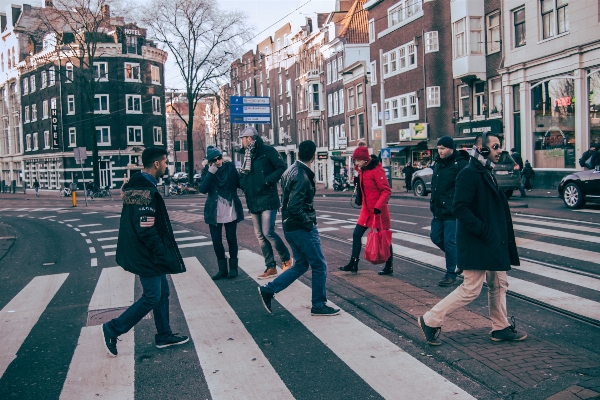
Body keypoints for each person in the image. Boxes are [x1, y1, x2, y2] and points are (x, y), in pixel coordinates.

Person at [418, 133, 527, 346]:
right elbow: (460, 207)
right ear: (482, 149)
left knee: (499, 282)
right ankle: (430, 319)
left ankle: (500, 327)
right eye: (495, 147)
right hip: (479, 241)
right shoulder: (469, 173)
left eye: (499, 147)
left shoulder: (485, 170)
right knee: (471, 288)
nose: (499, 151)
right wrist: (484, 231)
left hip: (491, 240)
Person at [102, 147, 188, 357]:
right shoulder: (145, 192)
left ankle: (164, 335)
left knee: (163, 293)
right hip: (146, 255)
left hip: (146, 253)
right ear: (157, 164)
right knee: (152, 296)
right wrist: (161, 251)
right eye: (166, 162)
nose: (167, 166)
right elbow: (145, 228)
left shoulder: (141, 186)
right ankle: (114, 328)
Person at [258, 140, 340, 316]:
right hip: (301, 227)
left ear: (297, 153)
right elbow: (295, 206)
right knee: (319, 265)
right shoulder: (302, 176)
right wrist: (308, 224)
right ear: (314, 156)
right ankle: (318, 304)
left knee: (301, 265)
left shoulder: (290, 170)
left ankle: (269, 290)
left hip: (289, 226)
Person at [238, 127, 293, 279]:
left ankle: (286, 258)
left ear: (249, 139)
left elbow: (281, 167)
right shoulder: (247, 155)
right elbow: (246, 175)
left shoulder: (267, 151)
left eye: (242, 138)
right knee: (260, 235)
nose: (241, 141)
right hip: (253, 200)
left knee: (268, 232)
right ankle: (270, 267)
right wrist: (242, 183)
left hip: (268, 198)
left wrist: (268, 181)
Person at [339, 145, 393, 275]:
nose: (356, 163)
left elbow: (386, 190)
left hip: (378, 211)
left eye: (358, 160)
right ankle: (353, 263)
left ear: (365, 159)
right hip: (366, 210)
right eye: (355, 160)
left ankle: (389, 265)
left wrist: (377, 207)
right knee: (356, 234)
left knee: (384, 238)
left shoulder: (376, 170)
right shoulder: (362, 170)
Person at [199, 146, 244, 280]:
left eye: (219, 158)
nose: (218, 161)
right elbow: (202, 189)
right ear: (209, 162)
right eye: (214, 160)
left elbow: (240, 182)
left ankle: (234, 268)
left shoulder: (230, 167)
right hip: (214, 211)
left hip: (230, 208)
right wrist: (210, 173)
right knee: (216, 240)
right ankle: (222, 269)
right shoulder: (207, 171)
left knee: (231, 239)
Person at [429, 136, 469, 287]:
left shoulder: (460, 164)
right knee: (435, 237)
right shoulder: (438, 163)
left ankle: (451, 274)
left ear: (451, 149)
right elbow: (435, 186)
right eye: (438, 148)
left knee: (450, 241)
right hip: (438, 209)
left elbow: (466, 187)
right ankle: (461, 260)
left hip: (452, 210)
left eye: (443, 148)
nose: (440, 151)